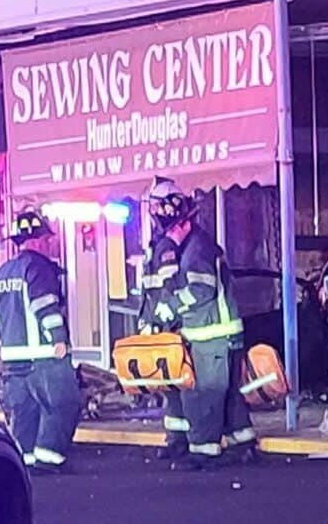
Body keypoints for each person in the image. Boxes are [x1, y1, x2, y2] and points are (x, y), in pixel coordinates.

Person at [147, 178, 256, 469]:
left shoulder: (196, 249)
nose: (170, 234)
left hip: (211, 336)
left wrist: (171, 306)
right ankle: (243, 443)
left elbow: (201, 290)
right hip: (219, 334)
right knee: (227, 394)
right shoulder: (195, 245)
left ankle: (204, 451)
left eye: (173, 228)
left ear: (184, 222)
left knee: (204, 394)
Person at [0, 209, 80, 472]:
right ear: (37, 240)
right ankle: (49, 456)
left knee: (25, 410)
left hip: (13, 357)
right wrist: (59, 339)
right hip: (43, 355)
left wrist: (2, 344)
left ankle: (26, 458)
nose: (49, 243)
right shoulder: (39, 267)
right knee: (62, 403)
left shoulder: (3, 271)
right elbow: (46, 306)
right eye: (46, 239)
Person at [140, 178, 188, 459]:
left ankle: (181, 439)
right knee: (169, 385)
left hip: (171, 325)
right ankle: (175, 438)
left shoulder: (169, 245)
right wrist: (147, 320)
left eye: (157, 206)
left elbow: (169, 286)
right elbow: (150, 290)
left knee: (178, 383)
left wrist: (164, 316)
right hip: (160, 323)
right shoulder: (158, 243)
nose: (154, 212)